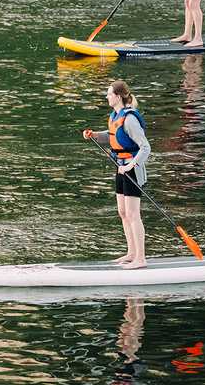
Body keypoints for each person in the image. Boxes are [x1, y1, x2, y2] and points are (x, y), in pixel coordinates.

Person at [82, 80, 151, 269]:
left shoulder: (130, 119)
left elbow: (145, 148)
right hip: (120, 167)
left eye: (109, 93)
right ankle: (131, 253)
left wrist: (130, 165)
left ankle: (141, 259)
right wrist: (95, 135)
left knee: (133, 214)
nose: (106, 96)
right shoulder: (115, 116)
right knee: (122, 212)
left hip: (132, 170)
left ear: (118, 96)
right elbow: (113, 136)